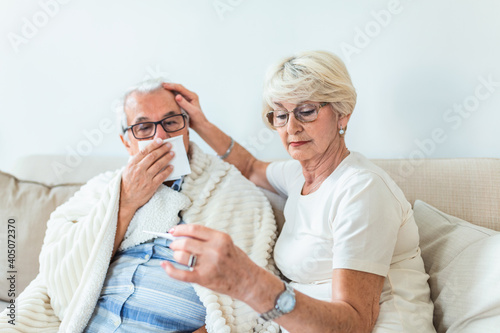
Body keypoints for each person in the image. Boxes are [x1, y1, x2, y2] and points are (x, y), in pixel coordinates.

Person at [161, 50, 436, 332]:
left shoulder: (361, 189)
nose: (291, 127)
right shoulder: (297, 175)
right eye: (281, 114)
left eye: (306, 111)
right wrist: (201, 123)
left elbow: (356, 323)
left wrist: (250, 282)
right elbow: (249, 166)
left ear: (342, 114)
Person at [0, 79, 279, 333]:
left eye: (171, 123)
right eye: (144, 127)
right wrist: (126, 202)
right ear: (127, 142)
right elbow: (60, 269)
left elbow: (249, 300)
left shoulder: (228, 190)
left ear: (187, 129)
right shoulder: (102, 190)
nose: (160, 138)